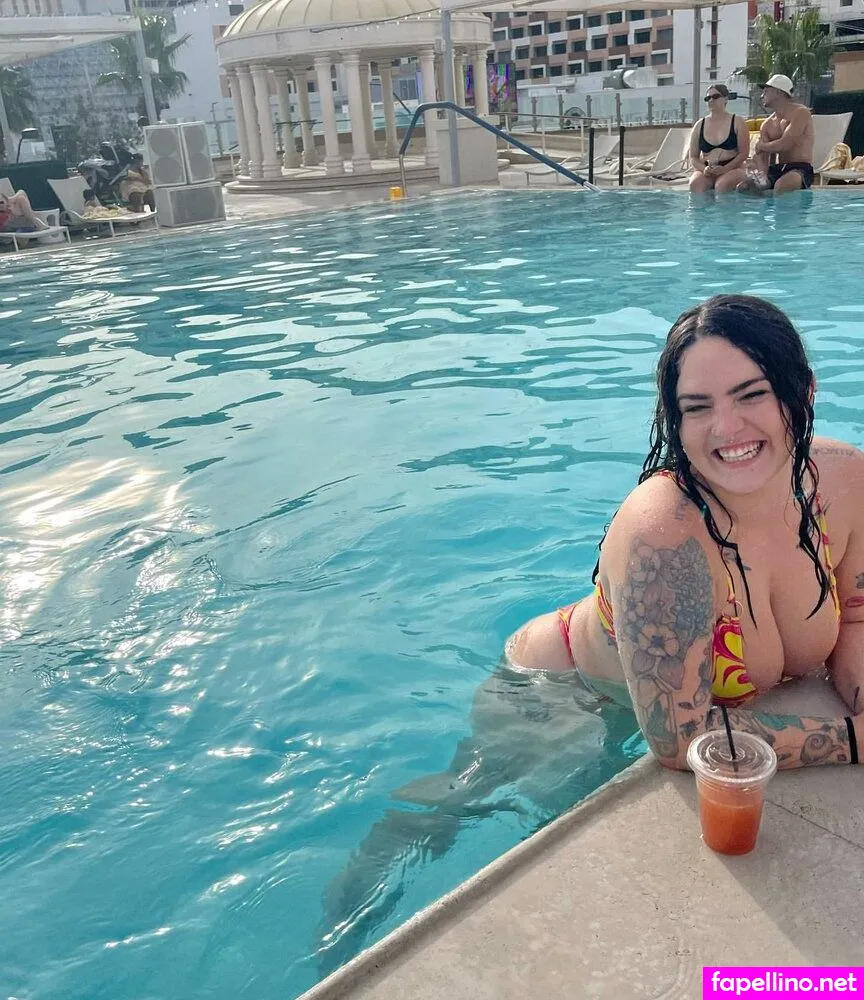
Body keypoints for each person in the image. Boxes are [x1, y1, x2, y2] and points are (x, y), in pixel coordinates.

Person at [507, 294, 864, 771]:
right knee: (472, 804)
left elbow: (857, 620)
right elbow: (680, 740)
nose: (726, 428)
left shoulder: (842, 480)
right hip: (558, 691)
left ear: (805, 392)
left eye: (752, 394)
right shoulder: (665, 533)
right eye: (697, 407)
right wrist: (852, 740)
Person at [738, 74, 814, 194]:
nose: (762, 95)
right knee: (744, 188)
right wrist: (762, 176)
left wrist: (761, 146)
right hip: (778, 169)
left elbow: (785, 144)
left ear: (778, 92)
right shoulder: (767, 124)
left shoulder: (800, 113)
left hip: (800, 168)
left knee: (781, 186)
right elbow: (763, 157)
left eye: (766, 91)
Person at [688, 84, 750, 194]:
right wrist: (704, 169)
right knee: (695, 184)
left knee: (722, 185)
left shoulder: (737, 122)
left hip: (733, 168)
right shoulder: (699, 125)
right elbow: (693, 157)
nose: (711, 100)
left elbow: (743, 153)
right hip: (708, 169)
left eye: (715, 96)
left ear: (726, 98)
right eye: (708, 98)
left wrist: (725, 169)